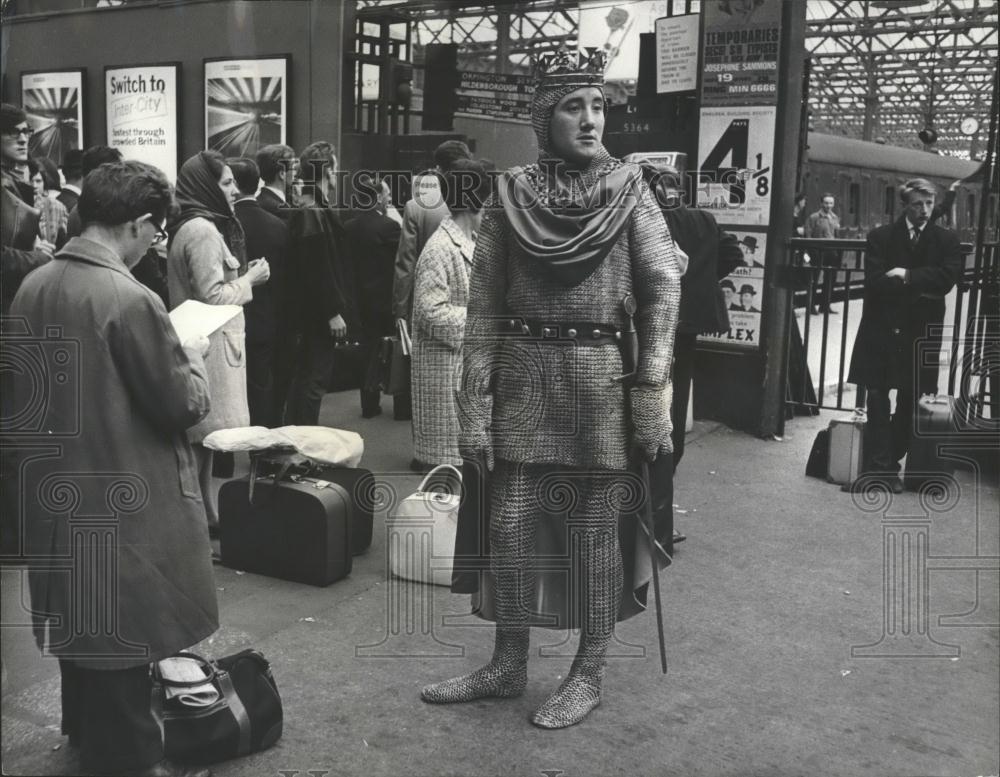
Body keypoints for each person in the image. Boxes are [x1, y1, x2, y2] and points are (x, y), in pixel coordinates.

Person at [421, 50, 681, 729]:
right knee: (508, 526)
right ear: (544, 117)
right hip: (524, 372)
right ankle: (509, 661)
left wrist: (652, 384)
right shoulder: (510, 195)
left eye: (598, 105)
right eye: (575, 106)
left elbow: (661, 289)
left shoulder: (632, 190)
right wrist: (473, 402)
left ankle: (587, 671)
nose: (592, 120)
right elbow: (482, 309)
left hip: (598, 380)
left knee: (594, 534)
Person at [8, 160, 217, 777]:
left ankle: (86, 738)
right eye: (158, 229)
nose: (158, 239)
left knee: (82, 624)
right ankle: (126, 760)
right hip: (123, 493)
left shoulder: (34, 284)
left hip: (56, 490)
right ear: (141, 223)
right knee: (125, 636)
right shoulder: (129, 297)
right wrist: (196, 358)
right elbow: (180, 402)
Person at [167, 150, 270, 534]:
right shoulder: (204, 230)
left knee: (204, 441)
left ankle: (205, 516)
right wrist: (250, 280)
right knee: (200, 440)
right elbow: (212, 295)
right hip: (208, 346)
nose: (233, 189)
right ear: (207, 186)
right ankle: (194, 521)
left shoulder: (196, 225)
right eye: (225, 182)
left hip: (206, 342)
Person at [847, 178, 961, 493]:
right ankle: (883, 469)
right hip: (883, 328)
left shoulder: (945, 240)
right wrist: (921, 288)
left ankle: (887, 465)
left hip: (918, 331)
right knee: (877, 396)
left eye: (929, 203)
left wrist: (905, 275)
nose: (924, 210)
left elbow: (948, 279)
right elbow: (873, 281)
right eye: (917, 204)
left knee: (912, 398)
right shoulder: (879, 237)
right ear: (905, 205)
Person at [639, 163, 742, 472]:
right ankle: (671, 459)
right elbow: (734, 255)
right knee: (678, 393)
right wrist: (700, 281)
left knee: (646, 389)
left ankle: (648, 461)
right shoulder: (704, 220)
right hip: (688, 322)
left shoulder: (644, 221)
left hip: (649, 320)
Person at [410, 159, 490, 469]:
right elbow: (430, 312)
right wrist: (485, 319)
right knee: (447, 480)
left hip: (458, 374)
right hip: (446, 375)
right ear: (474, 204)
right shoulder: (441, 248)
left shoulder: (463, 241)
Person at [391, 139, 472, 424]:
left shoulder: (417, 206)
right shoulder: (477, 202)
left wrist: (400, 306)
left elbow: (406, 262)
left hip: (426, 294)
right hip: (466, 296)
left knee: (424, 365)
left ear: (437, 168)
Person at [285, 140, 355, 425]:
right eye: (336, 168)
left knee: (307, 381)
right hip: (317, 315)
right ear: (327, 170)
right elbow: (317, 266)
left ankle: (298, 447)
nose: (338, 175)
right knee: (313, 382)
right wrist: (332, 312)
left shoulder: (310, 207)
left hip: (309, 314)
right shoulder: (312, 210)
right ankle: (303, 449)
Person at [230, 156, 289, 428]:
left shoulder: (225, 224)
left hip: (230, 314)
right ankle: (261, 453)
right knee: (261, 386)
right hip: (267, 316)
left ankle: (225, 457)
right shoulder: (277, 225)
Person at [345, 173, 401, 418]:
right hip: (385, 299)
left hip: (359, 299)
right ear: (378, 198)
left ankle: (369, 404)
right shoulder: (389, 227)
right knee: (394, 350)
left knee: (366, 352)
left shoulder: (349, 226)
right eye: (386, 196)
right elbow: (401, 263)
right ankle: (401, 405)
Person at [1, 103, 52, 312]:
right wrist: (38, 257)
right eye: (12, 132)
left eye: (25, 131)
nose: (22, 139)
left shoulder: (10, 181)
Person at [805, 192, 841, 314]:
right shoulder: (814, 217)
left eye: (831, 203)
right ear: (821, 203)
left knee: (830, 280)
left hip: (831, 252)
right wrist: (810, 251)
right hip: (817, 251)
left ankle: (825, 305)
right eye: (826, 203)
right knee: (814, 279)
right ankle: (810, 306)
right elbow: (808, 235)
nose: (828, 205)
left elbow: (836, 235)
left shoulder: (835, 218)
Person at [28, 155, 69, 249]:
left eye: (38, 181)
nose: (34, 185)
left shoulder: (56, 207)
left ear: (44, 183)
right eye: (30, 180)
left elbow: (64, 241)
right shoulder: (18, 206)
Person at [256, 143, 298, 220]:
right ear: (282, 174)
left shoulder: (258, 201)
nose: (296, 173)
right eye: (294, 168)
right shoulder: (282, 210)